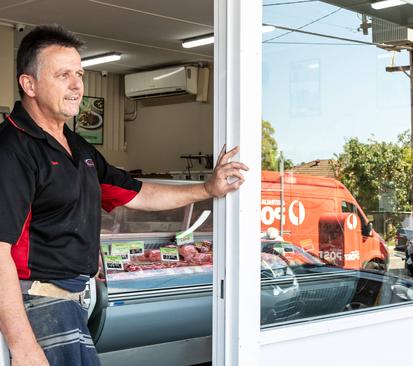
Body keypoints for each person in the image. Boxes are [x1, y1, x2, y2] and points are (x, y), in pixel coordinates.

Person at [0, 24, 248, 365]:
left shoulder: (77, 146)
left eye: (79, 74)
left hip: (71, 302)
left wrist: (207, 188)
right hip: (39, 305)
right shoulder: (11, 150)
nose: (76, 86)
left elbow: (138, 194)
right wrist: (23, 346)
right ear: (29, 84)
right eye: (62, 75)